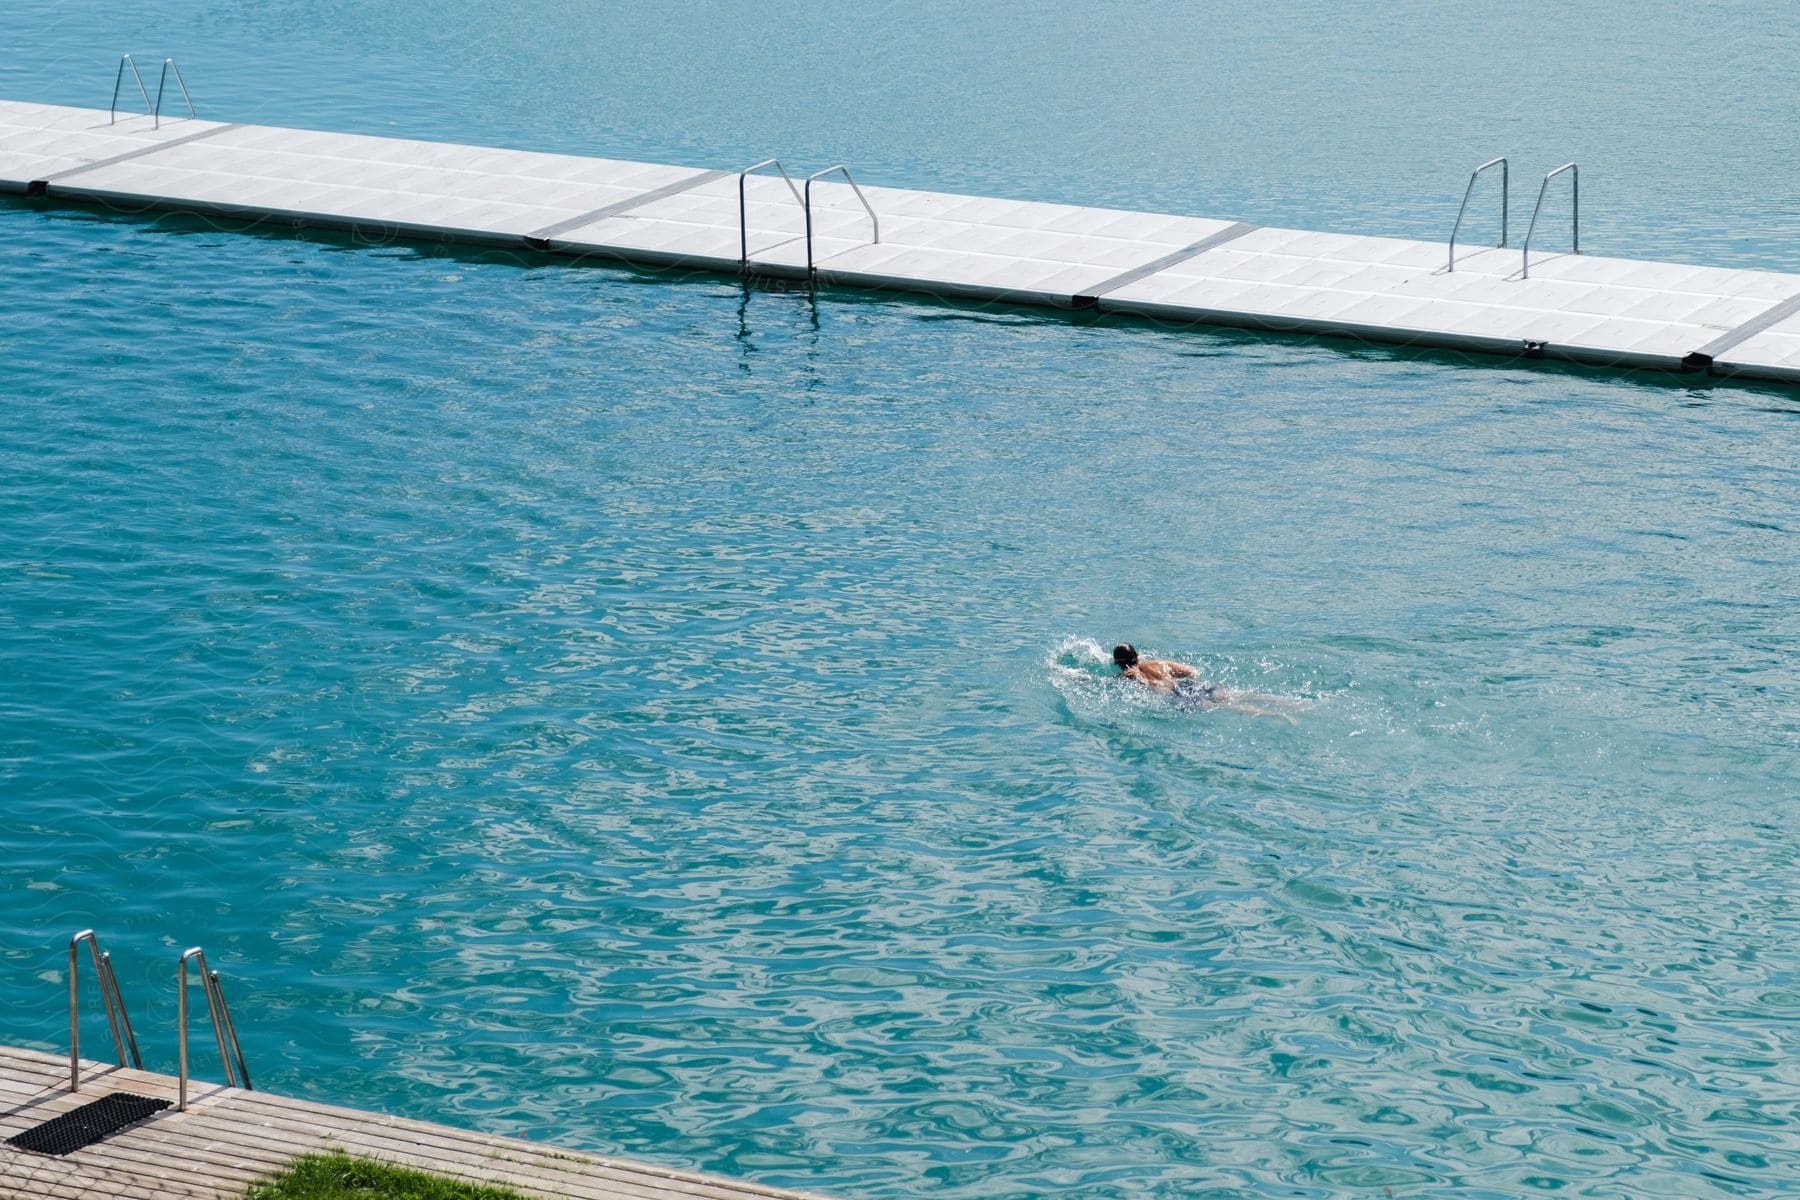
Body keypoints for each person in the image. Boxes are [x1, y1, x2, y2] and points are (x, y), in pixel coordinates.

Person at [1112, 644, 1297, 722]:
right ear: (1138, 655)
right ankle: (1291, 703)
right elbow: (1193, 672)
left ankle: (1276, 716)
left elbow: (1137, 681)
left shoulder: (1128, 674)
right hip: (1190, 686)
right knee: (1240, 695)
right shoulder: (1158, 663)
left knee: (1228, 707)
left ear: (1117, 664)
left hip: (1177, 696)